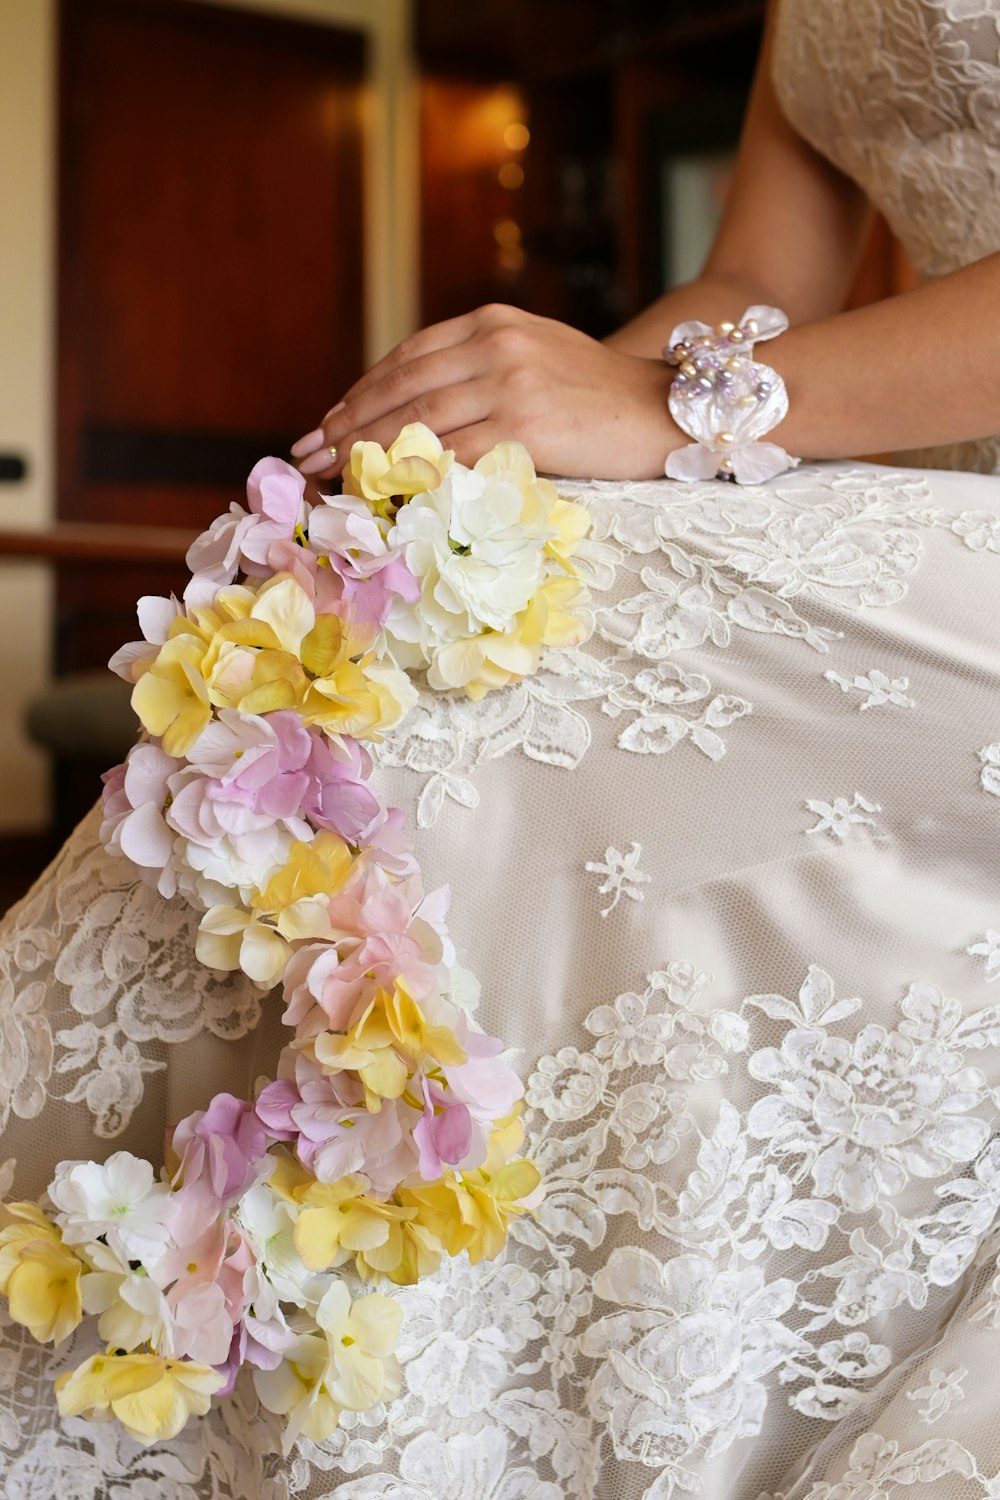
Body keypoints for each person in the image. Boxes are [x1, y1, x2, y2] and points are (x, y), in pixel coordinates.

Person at [3, 1, 1000, 1496]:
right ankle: (179, 1285)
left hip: (926, 522)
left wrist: (675, 409)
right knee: (389, 608)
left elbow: (726, 369)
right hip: (893, 483)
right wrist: (510, 441)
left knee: (529, 701)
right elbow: (754, 280)